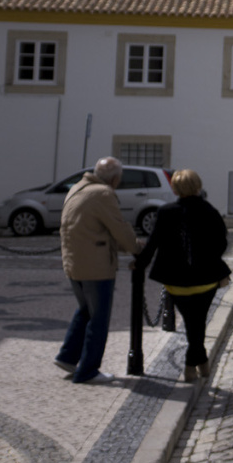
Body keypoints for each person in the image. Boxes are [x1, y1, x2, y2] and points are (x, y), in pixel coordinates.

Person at [137, 169, 232, 382]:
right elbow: (222, 244)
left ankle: (197, 365)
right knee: (197, 323)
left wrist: (139, 264)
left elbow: (153, 244)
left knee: (192, 322)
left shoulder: (165, 212)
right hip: (206, 280)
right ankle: (196, 363)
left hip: (176, 281)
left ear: (176, 188)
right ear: (198, 186)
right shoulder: (210, 211)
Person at [56, 157, 143, 384]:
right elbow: (119, 228)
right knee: (99, 319)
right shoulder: (103, 194)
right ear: (115, 179)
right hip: (96, 266)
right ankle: (88, 371)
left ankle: (67, 357)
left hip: (74, 262)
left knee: (85, 310)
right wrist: (137, 249)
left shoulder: (77, 188)